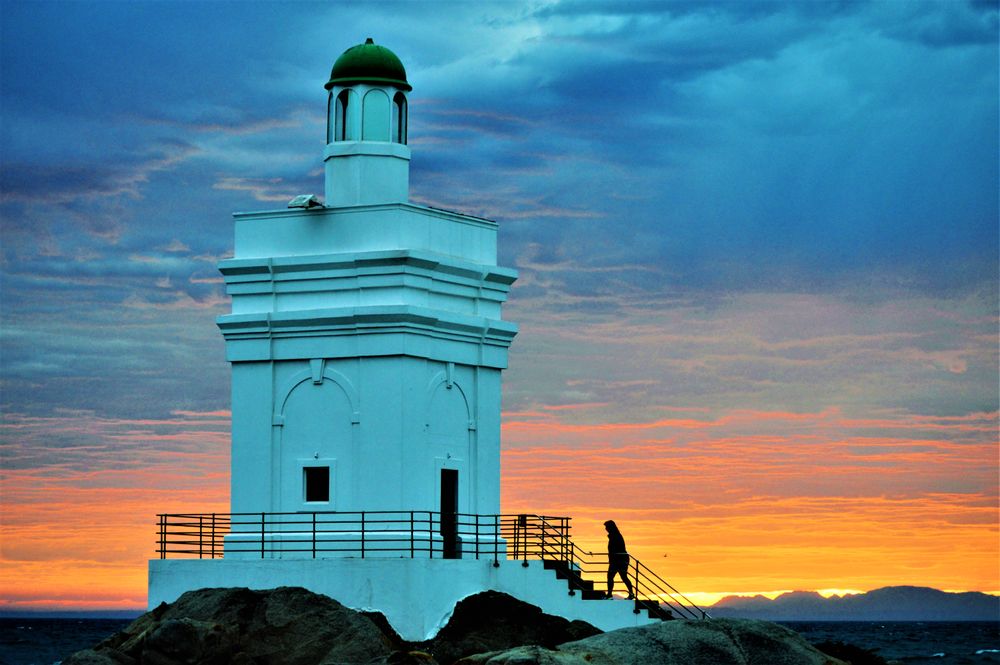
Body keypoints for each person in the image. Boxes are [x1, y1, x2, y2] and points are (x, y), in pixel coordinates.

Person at [604, 520, 635, 599]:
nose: (606, 529)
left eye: (607, 527)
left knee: (612, 576)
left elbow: (615, 549)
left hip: (618, 560)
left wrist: (613, 559)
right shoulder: (615, 535)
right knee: (622, 577)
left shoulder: (615, 536)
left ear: (611, 527)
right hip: (619, 559)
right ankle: (630, 593)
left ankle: (609, 595)